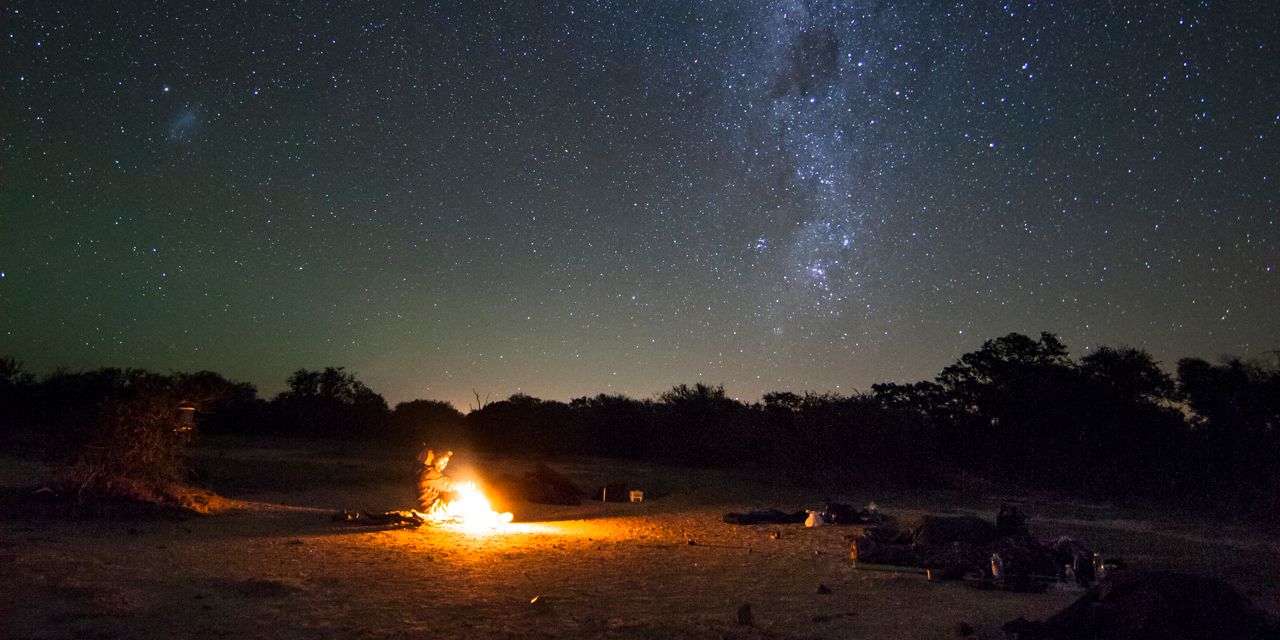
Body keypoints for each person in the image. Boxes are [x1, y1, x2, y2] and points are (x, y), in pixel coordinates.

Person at [415, 448, 459, 515]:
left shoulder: (425, 471)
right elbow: (448, 485)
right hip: (432, 509)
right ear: (435, 460)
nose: (445, 464)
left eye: (446, 462)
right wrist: (467, 486)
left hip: (433, 506)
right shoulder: (428, 474)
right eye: (443, 461)